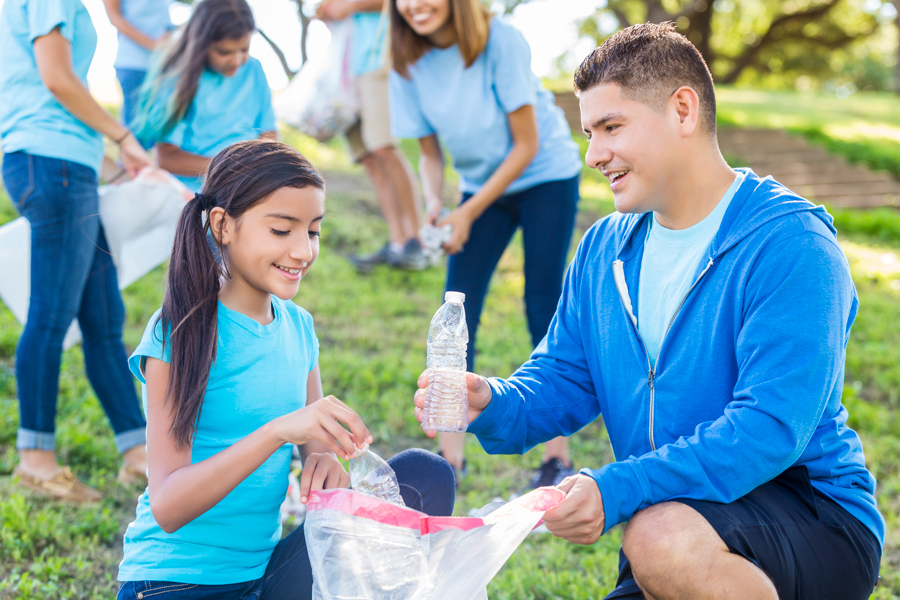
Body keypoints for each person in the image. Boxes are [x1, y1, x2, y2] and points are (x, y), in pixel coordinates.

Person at [415, 22, 884, 600]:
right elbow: (565, 376)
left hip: (806, 513)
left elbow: (770, 427)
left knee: (658, 536)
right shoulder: (603, 248)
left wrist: (619, 488)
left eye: (612, 127)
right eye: (589, 133)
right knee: (658, 536)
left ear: (683, 110)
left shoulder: (792, 245)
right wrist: (492, 400)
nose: (594, 154)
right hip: (673, 518)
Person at [116, 140, 455, 599]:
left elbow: (316, 448)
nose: (302, 251)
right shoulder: (179, 331)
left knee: (422, 476)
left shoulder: (298, 327)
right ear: (223, 226)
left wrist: (322, 460)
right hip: (173, 584)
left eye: (312, 232)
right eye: (281, 231)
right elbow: (169, 505)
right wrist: (277, 432)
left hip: (265, 578)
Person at [389, 0, 581, 487]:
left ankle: (555, 460)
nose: (415, 6)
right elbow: (429, 152)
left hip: (545, 176)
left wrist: (467, 212)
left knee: (543, 303)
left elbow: (526, 144)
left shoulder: (502, 41)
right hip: (479, 186)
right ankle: (446, 463)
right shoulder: (405, 59)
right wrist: (437, 201)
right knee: (457, 308)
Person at [0, 0, 153, 502]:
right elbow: (57, 80)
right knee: (49, 317)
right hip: (52, 163)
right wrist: (124, 137)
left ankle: (138, 456)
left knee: (104, 320)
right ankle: (36, 464)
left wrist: (111, 162)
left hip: (67, 165)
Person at [316, 0, 426, 271]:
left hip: (377, 59)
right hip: (344, 71)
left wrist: (351, 5)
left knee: (384, 148)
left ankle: (419, 240)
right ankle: (397, 241)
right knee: (368, 157)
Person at [132, 0, 276, 192]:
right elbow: (166, 158)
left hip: (246, 189)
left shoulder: (254, 70)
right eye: (224, 52)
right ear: (202, 44)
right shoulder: (178, 78)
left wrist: (262, 169)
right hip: (193, 196)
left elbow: (268, 134)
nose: (237, 59)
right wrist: (229, 169)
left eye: (244, 49)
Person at [102, 0, 173, 146]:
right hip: (134, 63)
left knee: (158, 127)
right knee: (134, 131)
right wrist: (152, 44)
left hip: (162, 64)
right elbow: (114, 17)